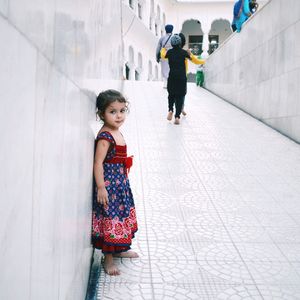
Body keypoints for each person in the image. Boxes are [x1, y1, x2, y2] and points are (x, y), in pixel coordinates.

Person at [92, 89, 138, 276]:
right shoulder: (105, 137)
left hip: (120, 185)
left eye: (122, 110)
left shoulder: (116, 131)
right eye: (113, 112)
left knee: (120, 216)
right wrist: (101, 187)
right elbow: (97, 163)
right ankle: (108, 259)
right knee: (110, 218)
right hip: (109, 186)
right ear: (102, 114)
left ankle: (119, 249)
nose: (119, 116)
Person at [161, 34, 205, 125]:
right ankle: (177, 116)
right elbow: (195, 60)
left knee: (171, 95)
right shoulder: (184, 53)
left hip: (172, 77)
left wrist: (163, 49)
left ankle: (170, 110)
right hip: (181, 78)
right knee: (180, 97)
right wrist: (204, 61)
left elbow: (163, 55)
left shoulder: (169, 52)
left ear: (172, 44)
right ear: (180, 43)